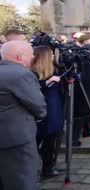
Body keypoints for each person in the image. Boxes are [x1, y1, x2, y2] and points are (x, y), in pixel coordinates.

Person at [0, 41, 46, 190]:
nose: (33, 57)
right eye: (30, 54)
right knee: (22, 178)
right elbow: (38, 105)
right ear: (20, 56)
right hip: (17, 137)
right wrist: (41, 115)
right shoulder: (21, 74)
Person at [30, 46, 65, 178]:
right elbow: (33, 89)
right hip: (44, 108)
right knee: (39, 139)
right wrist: (48, 82)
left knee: (51, 140)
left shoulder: (54, 68)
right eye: (50, 55)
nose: (52, 57)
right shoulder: (32, 72)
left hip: (55, 108)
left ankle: (48, 169)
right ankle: (40, 168)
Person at [72, 34, 90, 147]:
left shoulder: (89, 53)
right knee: (80, 114)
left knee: (89, 112)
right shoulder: (79, 54)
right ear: (84, 42)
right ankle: (74, 138)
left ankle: (87, 130)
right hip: (83, 88)